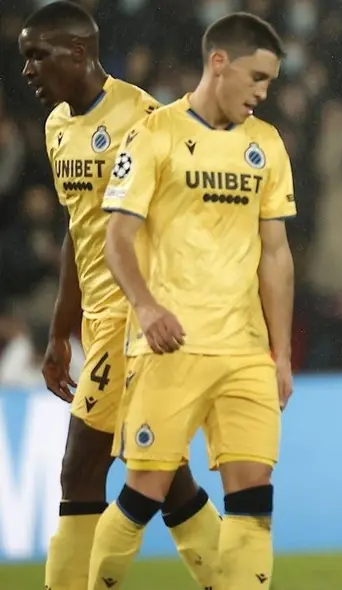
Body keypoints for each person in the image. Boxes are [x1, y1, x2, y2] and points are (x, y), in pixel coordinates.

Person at [17, 2, 221, 588]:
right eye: (24, 57)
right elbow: (79, 231)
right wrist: (60, 330)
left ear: (78, 53)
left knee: (80, 471)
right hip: (100, 323)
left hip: (140, 323)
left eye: (38, 55)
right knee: (161, 473)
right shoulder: (58, 126)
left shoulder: (143, 121)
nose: (27, 70)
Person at [90, 11, 295, 590]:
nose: (262, 93)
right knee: (143, 494)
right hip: (171, 345)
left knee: (253, 503)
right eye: (256, 77)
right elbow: (118, 237)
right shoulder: (155, 133)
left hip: (246, 353)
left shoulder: (267, 145)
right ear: (219, 62)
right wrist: (147, 307)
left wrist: (280, 354)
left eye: (270, 83)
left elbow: (275, 255)